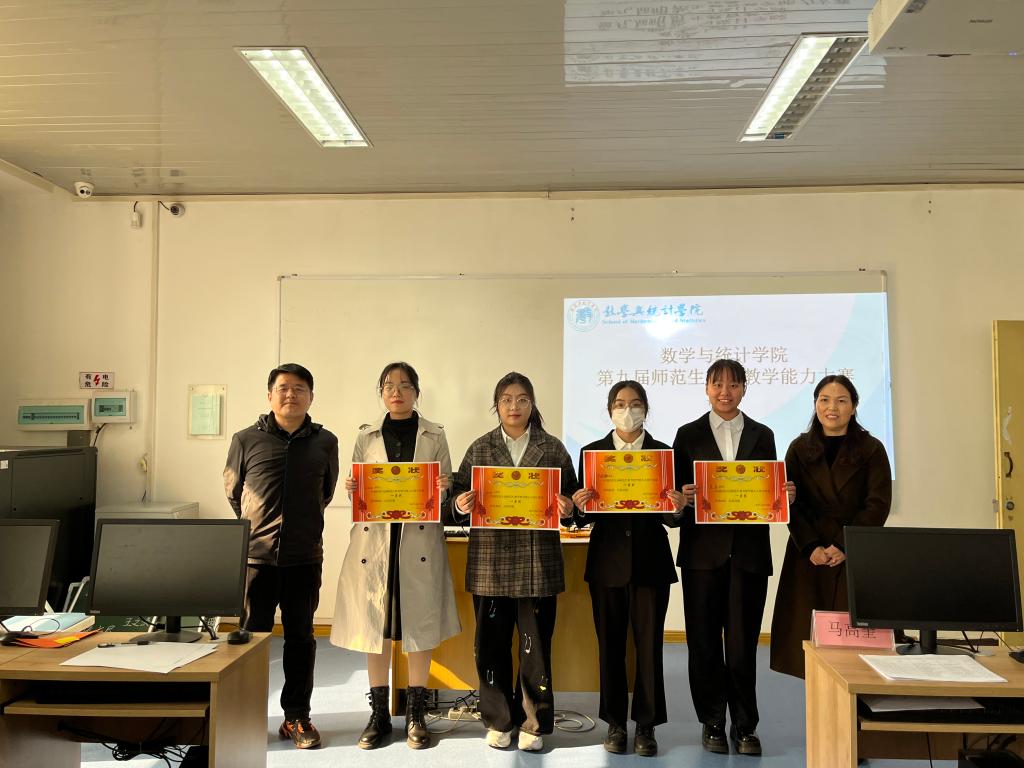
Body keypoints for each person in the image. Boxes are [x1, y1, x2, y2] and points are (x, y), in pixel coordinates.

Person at [330, 362, 461, 750]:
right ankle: (379, 715)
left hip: (418, 543)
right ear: (381, 393)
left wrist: (443, 486)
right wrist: (353, 487)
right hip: (376, 545)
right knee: (376, 630)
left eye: (405, 385)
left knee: (420, 626)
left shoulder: (435, 434)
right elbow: (358, 490)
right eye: (389, 386)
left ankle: (416, 713)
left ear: (417, 392)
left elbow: (446, 491)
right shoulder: (366, 435)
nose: (397, 392)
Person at [671, 358, 793, 757]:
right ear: (706, 388)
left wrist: (782, 497)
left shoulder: (763, 434)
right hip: (701, 556)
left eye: (733, 385)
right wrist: (683, 499)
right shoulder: (687, 435)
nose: (725, 392)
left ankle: (745, 726)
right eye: (717, 384)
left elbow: (768, 496)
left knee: (742, 646)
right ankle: (711, 722)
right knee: (703, 643)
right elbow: (674, 500)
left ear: (744, 388)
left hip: (748, 555)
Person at [450, 372, 577, 752]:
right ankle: (499, 720)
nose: (514, 406)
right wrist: (459, 504)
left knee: (535, 649)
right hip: (490, 563)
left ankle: (534, 723)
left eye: (522, 399)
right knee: (490, 647)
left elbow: (572, 497)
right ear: (497, 405)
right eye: (506, 399)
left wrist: (568, 507)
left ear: (532, 404)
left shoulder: (552, 448)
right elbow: (456, 495)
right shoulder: (480, 448)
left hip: (538, 564)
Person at [224, 363, 339, 749]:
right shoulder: (245, 439)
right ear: (270, 395)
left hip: (304, 557)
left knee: (301, 638)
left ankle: (297, 717)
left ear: (311, 396)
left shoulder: (326, 442)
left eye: (300, 388)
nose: (291, 394)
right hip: (257, 558)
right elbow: (234, 492)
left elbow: (326, 493)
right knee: (251, 639)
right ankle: (244, 716)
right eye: (284, 388)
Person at [570, 381, 683, 757]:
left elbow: (672, 518)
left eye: (635, 404)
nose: (627, 410)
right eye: (620, 404)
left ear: (645, 409)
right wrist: (580, 505)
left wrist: (677, 506)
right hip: (607, 563)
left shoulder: (663, 454)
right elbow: (582, 516)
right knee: (610, 647)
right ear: (609, 411)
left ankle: (647, 725)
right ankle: (616, 723)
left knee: (650, 648)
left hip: (651, 562)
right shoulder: (592, 453)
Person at [769, 374, 892, 678]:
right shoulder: (799, 448)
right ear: (815, 404)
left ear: (854, 406)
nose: (831, 408)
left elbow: (877, 504)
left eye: (841, 400)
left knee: (856, 647)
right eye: (824, 400)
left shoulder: (872, 448)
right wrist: (811, 545)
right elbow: (790, 503)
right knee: (808, 644)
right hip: (809, 554)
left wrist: (844, 544)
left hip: (854, 551)